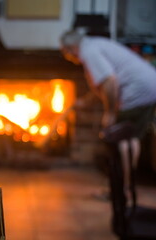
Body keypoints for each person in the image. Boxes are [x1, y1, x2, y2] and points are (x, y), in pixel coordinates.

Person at [60, 30, 156, 201]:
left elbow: (110, 81)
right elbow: (103, 83)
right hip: (150, 88)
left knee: (118, 139)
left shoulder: (88, 52)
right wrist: (84, 101)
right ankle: (126, 187)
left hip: (136, 93)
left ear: (71, 48)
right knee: (131, 137)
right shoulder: (95, 44)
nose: (68, 57)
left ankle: (120, 190)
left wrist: (110, 112)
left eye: (65, 52)